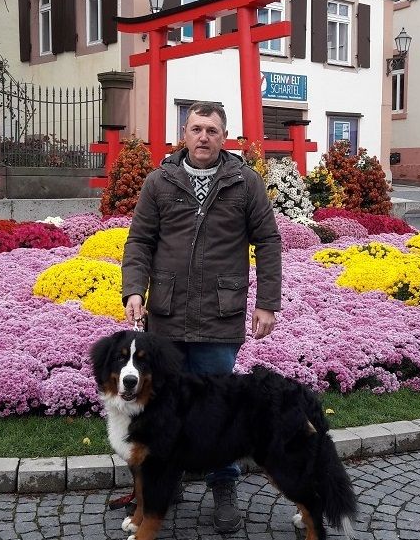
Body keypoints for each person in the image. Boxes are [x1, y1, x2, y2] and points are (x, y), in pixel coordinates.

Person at [122, 101, 282, 533]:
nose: (203, 137)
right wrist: (134, 289)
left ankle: (223, 484)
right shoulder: (160, 181)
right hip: (167, 316)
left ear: (224, 136)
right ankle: (164, 480)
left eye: (212, 130)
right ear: (184, 134)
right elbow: (140, 241)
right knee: (163, 407)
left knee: (217, 411)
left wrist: (267, 302)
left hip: (219, 317)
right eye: (196, 129)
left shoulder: (245, 182)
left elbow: (268, 241)